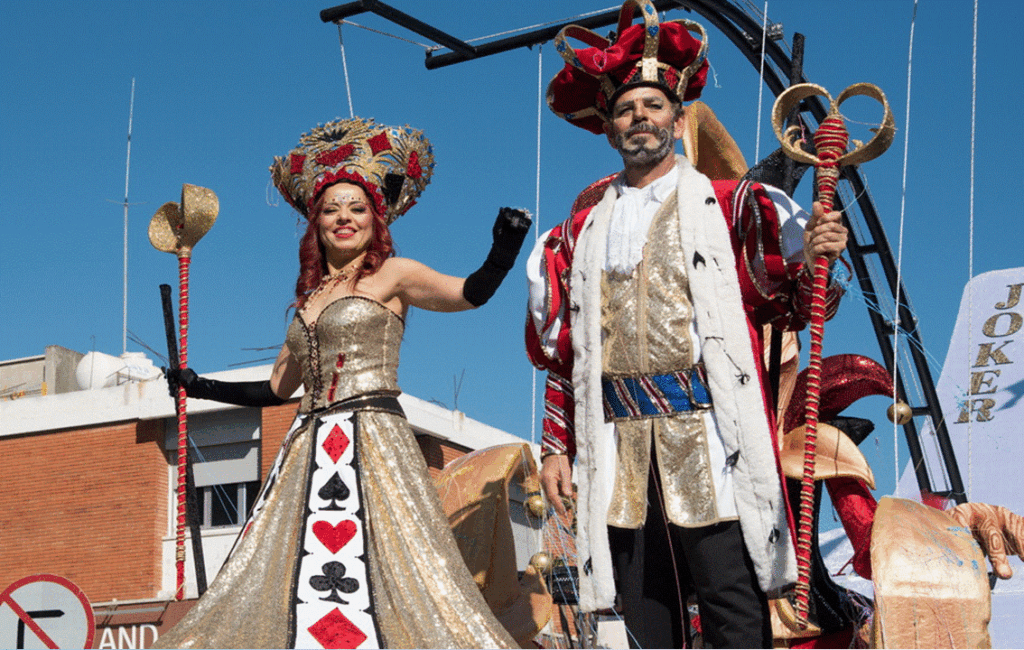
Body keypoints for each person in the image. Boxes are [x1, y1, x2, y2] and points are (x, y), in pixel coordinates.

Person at [525, 2, 848, 647]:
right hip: (616, 437)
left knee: (731, 590)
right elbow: (567, 353)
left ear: (676, 119)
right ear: (610, 126)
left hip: (706, 429)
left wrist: (810, 259)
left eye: (652, 107)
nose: (638, 119)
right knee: (640, 599)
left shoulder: (730, 205)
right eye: (625, 109)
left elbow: (776, 296)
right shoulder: (580, 230)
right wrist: (558, 446)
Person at [157, 117, 530, 649]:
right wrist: (199, 385)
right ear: (317, 225)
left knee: (398, 571)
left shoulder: (393, 275)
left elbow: (469, 293)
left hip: (375, 436)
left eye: (357, 208)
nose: (344, 218)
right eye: (332, 210)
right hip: (306, 444)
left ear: (375, 220)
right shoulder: (308, 301)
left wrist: (503, 249)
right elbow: (275, 390)